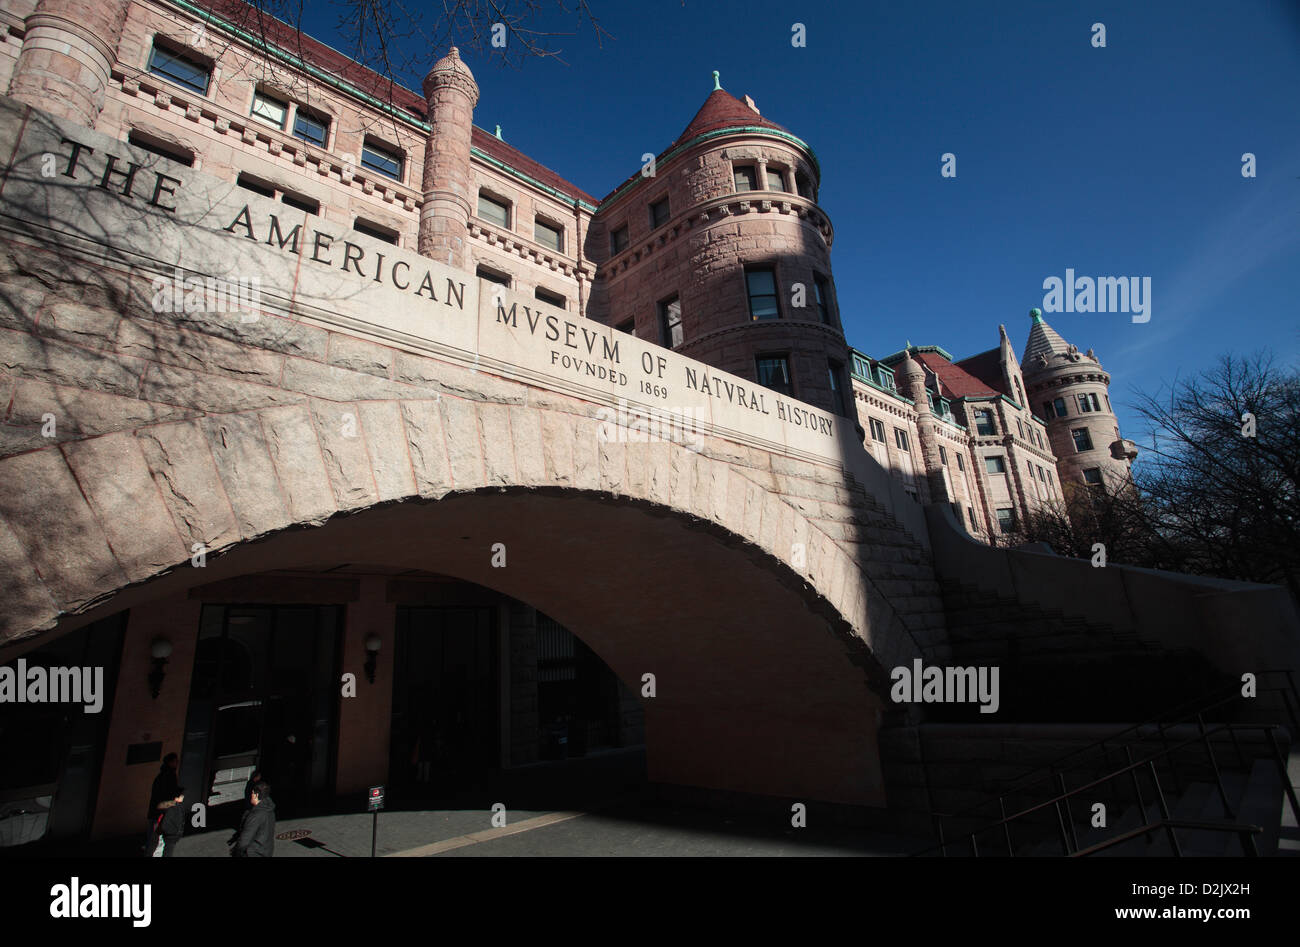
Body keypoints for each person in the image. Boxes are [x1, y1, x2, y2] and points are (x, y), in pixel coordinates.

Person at [145, 753, 179, 855]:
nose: (177, 763)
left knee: (153, 840)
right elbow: (167, 796)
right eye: (175, 761)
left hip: (157, 812)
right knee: (165, 841)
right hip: (162, 813)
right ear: (170, 762)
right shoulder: (169, 777)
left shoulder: (161, 776)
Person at [232, 781, 275, 857]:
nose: (251, 795)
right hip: (266, 850)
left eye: (252, 793)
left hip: (253, 852)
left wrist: (237, 850)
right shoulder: (269, 809)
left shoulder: (256, 814)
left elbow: (246, 838)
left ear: (256, 795)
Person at [157, 786, 186, 857]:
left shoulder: (175, 806)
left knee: (168, 851)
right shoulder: (173, 808)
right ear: (177, 797)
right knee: (168, 852)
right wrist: (174, 832)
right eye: (182, 796)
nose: (183, 797)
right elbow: (166, 823)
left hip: (172, 834)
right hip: (171, 835)